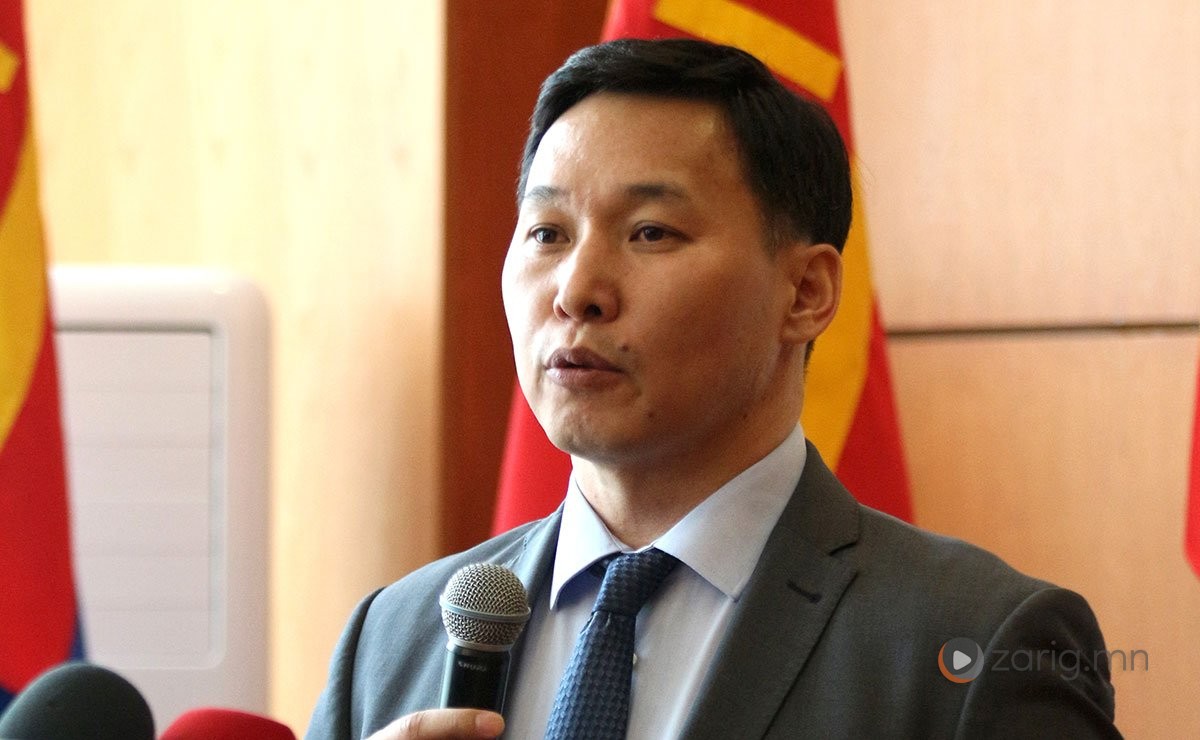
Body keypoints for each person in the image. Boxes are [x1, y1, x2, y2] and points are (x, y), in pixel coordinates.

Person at [306, 38, 1119, 739]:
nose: (577, 290)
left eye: (650, 233)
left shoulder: (975, 643)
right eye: (547, 233)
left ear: (805, 293)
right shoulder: (394, 636)